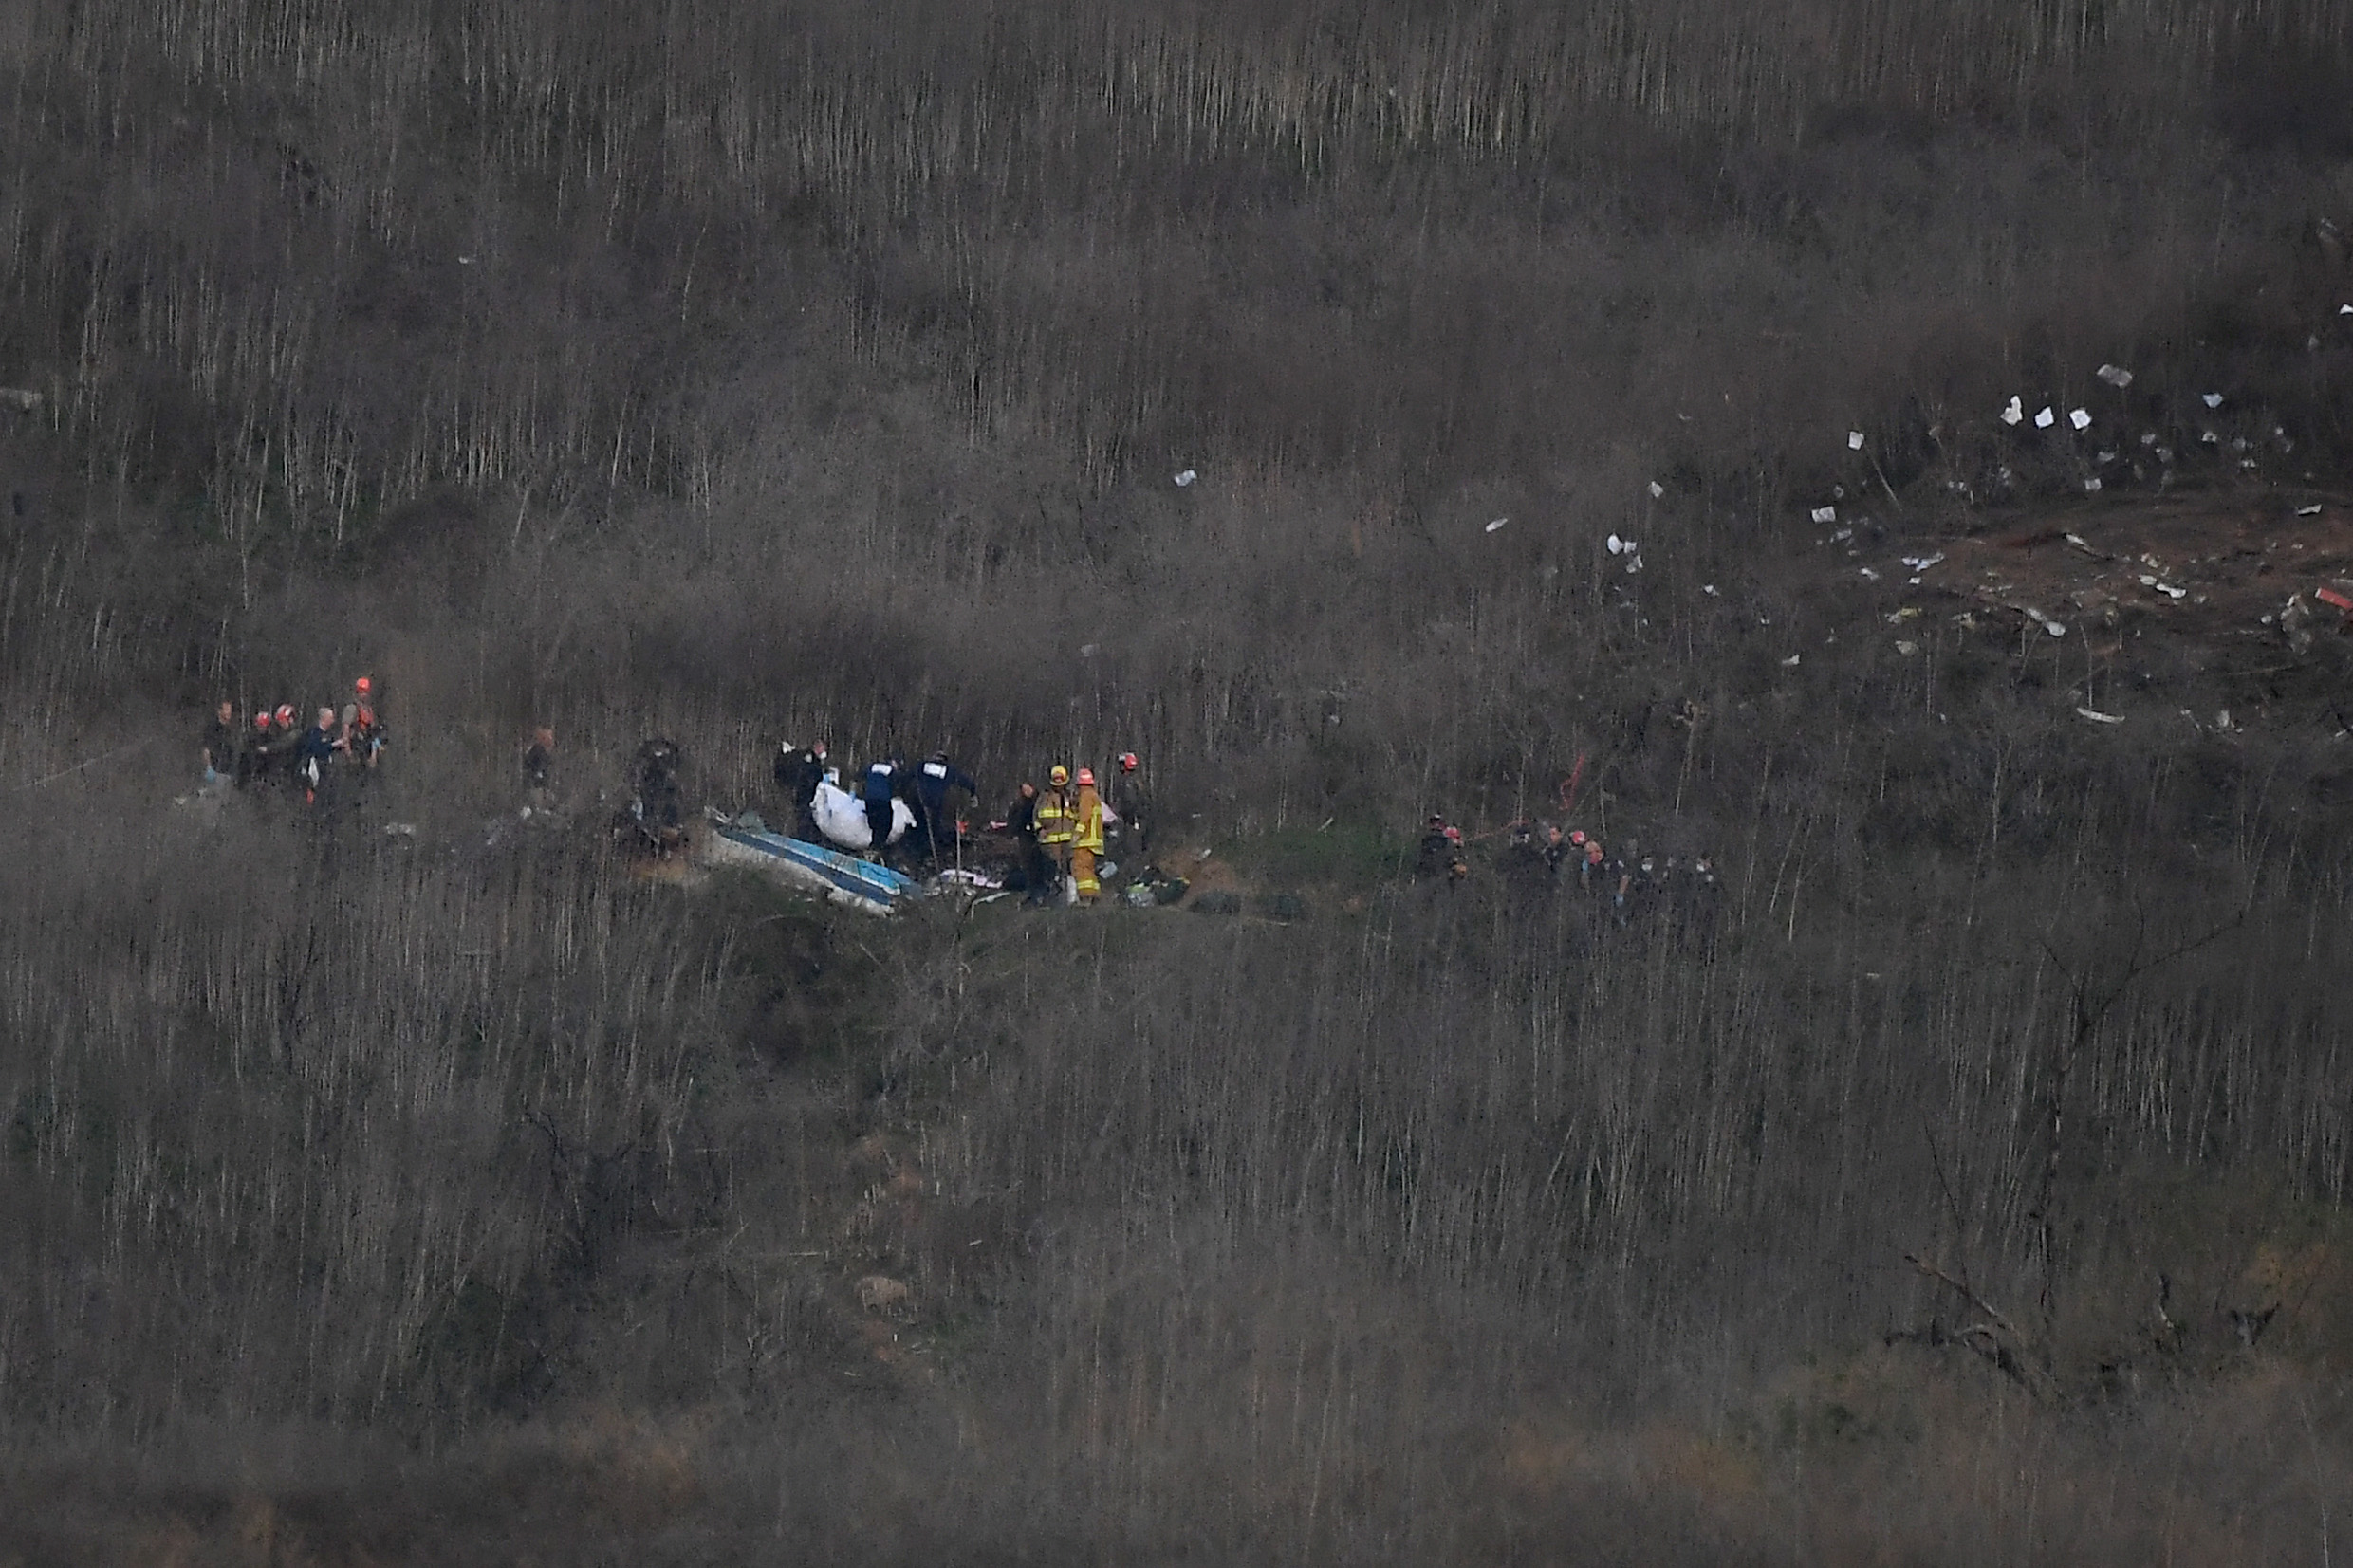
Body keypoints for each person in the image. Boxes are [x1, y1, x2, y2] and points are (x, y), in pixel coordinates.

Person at [916, 750, 979, 865]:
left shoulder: (923, 765)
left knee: (920, 828)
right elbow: (964, 781)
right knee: (934, 829)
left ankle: (917, 854)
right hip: (935, 802)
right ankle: (927, 856)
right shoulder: (948, 770)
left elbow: (909, 775)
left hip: (920, 800)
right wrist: (973, 792)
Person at [1006, 781, 1049, 901]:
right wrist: (1014, 832)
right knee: (1028, 865)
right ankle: (1032, 891)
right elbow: (1013, 820)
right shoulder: (1018, 805)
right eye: (1024, 790)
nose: (1027, 792)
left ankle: (1042, 890)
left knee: (1040, 864)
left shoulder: (1040, 802)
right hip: (1025, 837)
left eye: (1028, 789)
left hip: (1038, 836)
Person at [1035, 765, 1075, 898]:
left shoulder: (1069, 797)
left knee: (1067, 869)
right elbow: (1036, 816)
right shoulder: (1045, 797)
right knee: (1051, 870)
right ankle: (1051, 897)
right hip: (1050, 841)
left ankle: (1067, 896)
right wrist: (1039, 829)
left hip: (1066, 840)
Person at [775, 740, 826, 840]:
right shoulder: (808, 758)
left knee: (807, 815)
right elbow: (807, 774)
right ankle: (804, 835)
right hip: (806, 791)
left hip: (810, 792)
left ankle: (807, 835)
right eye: (821, 748)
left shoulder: (816, 760)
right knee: (804, 814)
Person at [1107, 751, 1150, 865]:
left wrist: (1120, 815)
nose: (1120, 767)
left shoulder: (1128, 782)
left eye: (1121, 764)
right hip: (1137, 820)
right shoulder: (1137, 780)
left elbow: (1130, 802)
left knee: (1130, 849)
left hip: (1132, 821)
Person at [1070, 766, 1105, 904]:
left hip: (1085, 840)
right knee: (1089, 870)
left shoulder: (1085, 796)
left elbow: (1084, 818)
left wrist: (1076, 835)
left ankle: (1086, 898)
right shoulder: (1094, 796)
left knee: (1081, 869)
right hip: (1094, 841)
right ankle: (1094, 895)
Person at [295, 706, 342, 805]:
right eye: (331, 718)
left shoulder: (329, 733)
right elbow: (316, 749)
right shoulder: (314, 733)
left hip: (326, 769)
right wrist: (332, 745)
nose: (333, 721)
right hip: (315, 768)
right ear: (324, 719)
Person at [341, 676, 384, 771]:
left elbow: (373, 734)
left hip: (366, 750)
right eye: (361, 692)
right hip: (355, 749)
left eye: (365, 692)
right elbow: (345, 732)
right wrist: (349, 753)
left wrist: (373, 754)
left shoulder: (369, 710)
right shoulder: (351, 708)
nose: (364, 695)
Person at [862, 756, 900, 860]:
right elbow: (899, 782)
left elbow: (859, 775)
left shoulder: (872, 766)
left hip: (869, 798)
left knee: (874, 824)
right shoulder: (891, 770)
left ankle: (872, 847)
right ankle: (876, 849)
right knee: (885, 824)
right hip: (882, 800)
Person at [200, 700, 237, 792]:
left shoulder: (231, 729)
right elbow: (206, 748)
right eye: (226, 709)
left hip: (228, 771)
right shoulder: (212, 728)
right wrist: (209, 767)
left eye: (230, 710)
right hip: (216, 769)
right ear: (219, 711)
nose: (229, 712)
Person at [523, 727, 556, 815]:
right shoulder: (538, 750)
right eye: (549, 736)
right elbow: (538, 765)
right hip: (537, 783)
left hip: (540, 782)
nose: (551, 739)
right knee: (539, 799)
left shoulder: (541, 751)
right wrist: (539, 773)